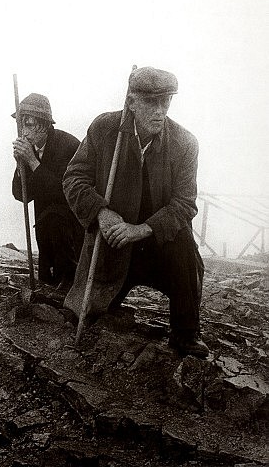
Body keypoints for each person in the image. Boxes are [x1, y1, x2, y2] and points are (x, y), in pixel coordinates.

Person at [62, 67, 209, 358]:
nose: (159, 111)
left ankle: (185, 333)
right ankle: (96, 301)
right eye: (150, 103)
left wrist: (140, 230)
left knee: (184, 246)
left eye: (165, 102)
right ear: (131, 101)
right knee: (81, 317)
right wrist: (102, 214)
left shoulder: (185, 143)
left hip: (158, 245)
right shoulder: (104, 129)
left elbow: (184, 203)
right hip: (114, 243)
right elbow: (73, 179)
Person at [12, 93, 83, 290]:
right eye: (22, 125)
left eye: (29, 124)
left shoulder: (68, 146)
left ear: (44, 124)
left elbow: (65, 192)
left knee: (68, 279)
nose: (23, 132)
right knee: (47, 282)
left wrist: (33, 163)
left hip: (71, 227)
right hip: (45, 228)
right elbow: (21, 196)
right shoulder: (30, 150)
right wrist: (20, 166)